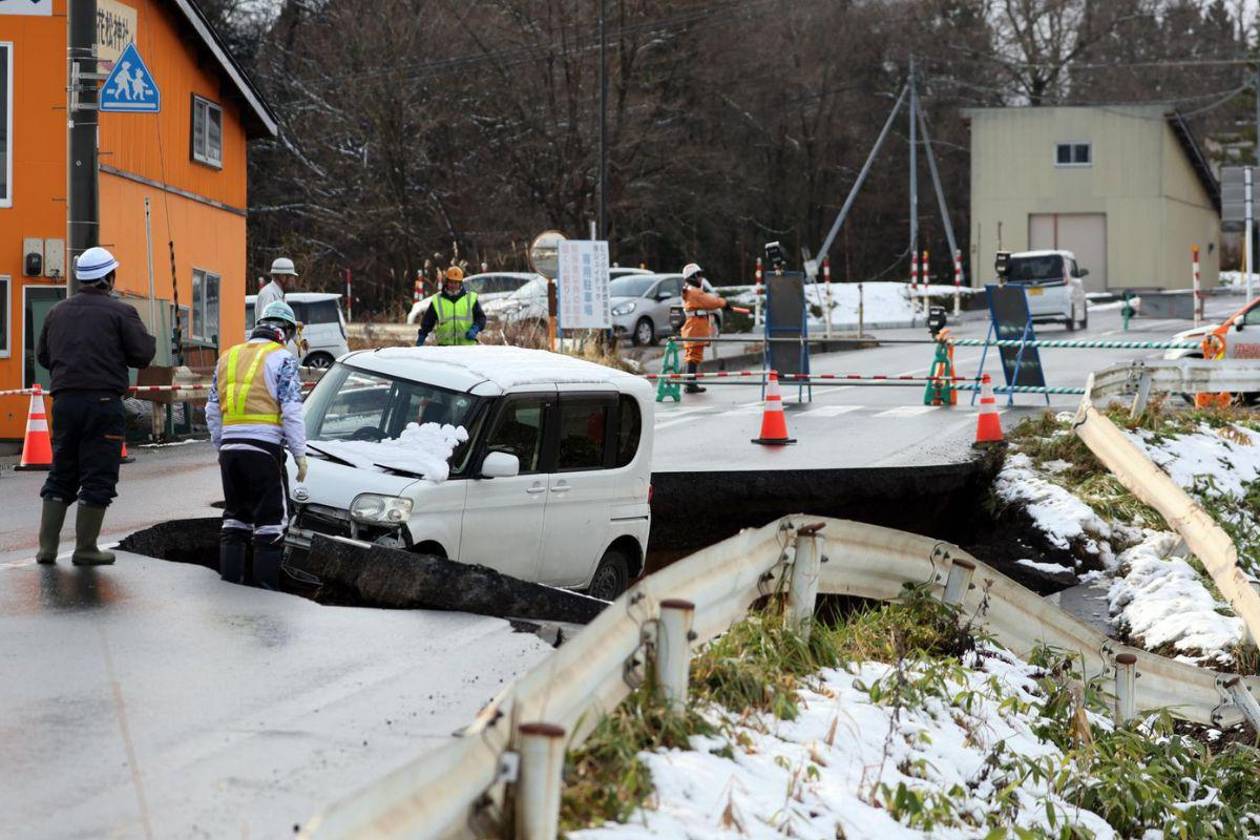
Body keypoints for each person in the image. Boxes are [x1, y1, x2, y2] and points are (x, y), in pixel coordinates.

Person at [35, 246, 156, 565]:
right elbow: (142, 354)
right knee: (98, 473)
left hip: (64, 402)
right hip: (103, 403)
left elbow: (43, 357)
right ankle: (85, 548)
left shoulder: (56, 312)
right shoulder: (120, 313)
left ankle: (46, 549)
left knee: (62, 471)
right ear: (108, 278)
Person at [205, 301, 308, 590]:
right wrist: (300, 455)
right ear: (284, 331)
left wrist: (221, 445)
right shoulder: (282, 358)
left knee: (235, 517)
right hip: (264, 448)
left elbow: (212, 410)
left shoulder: (229, 356)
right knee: (271, 521)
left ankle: (232, 585)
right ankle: (265, 592)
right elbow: (291, 411)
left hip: (230, 449)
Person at [679, 262, 729, 394]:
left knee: (692, 355)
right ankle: (690, 384)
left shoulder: (689, 290)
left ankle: (690, 382)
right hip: (695, 326)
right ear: (693, 276)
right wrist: (724, 303)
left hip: (693, 326)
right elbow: (710, 301)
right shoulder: (694, 292)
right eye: (699, 275)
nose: (701, 278)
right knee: (693, 356)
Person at [415, 266, 486, 346]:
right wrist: (421, 337)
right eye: (451, 282)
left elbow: (481, 318)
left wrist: (475, 329)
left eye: (456, 283)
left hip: (467, 348)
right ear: (447, 282)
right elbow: (427, 322)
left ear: (460, 283)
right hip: (444, 348)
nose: (453, 285)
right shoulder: (437, 300)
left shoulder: (470, 299)